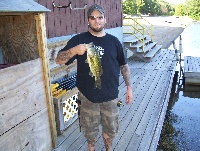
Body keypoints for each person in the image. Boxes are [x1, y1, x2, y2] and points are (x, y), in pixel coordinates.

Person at [55, 4, 133, 151]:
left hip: (110, 96)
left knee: (109, 132)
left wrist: (129, 88)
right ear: (88, 21)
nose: (97, 21)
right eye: (93, 18)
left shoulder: (114, 41)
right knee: (90, 133)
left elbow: (124, 65)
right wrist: (74, 50)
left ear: (105, 20)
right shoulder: (79, 39)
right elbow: (59, 59)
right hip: (87, 97)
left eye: (100, 17)